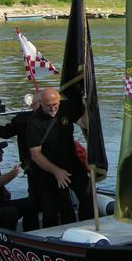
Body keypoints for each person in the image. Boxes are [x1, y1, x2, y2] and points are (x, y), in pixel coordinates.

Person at [26, 87, 92, 228]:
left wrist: (87, 108)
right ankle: (52, 237)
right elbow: (36, 154)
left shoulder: (65, 108)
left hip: (71, 162)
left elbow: (85, 123)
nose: (53, 109)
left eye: (55, 105)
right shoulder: (34, 122)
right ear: (41, 104)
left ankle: (88, 227)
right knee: (54, 210)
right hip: (48, 169)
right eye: (49, 106)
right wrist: (56, 171)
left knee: (87, 193)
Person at [0, 92, 41, 200]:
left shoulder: (23, 119)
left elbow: (5, 132)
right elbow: (5, 132)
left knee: (37, 195)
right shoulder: (23, 119)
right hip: (37, 163)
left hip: (34, 163)